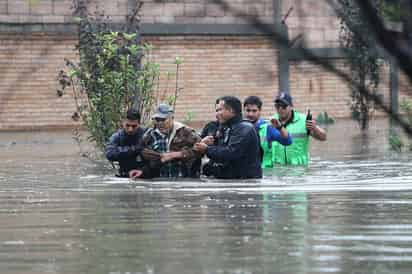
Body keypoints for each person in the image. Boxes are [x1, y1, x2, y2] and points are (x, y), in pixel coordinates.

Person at [194, 96, 262, 179]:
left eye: (220, 110)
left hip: (245, 181)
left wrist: (207, 149)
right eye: (216, 111)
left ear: (231, 110)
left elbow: (232, 153)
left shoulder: (245, 128)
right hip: (230, 180)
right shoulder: (224, 127)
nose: (217, 114)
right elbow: (219, 155)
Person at [138, 104, 202, 178]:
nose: (160, 123)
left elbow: (200, 151)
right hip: (158, 180)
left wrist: (177, 154)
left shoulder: (185, 132)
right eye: (157, 120)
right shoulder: (149, 135)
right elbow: (143, 154)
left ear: (172, 118)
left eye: (163, 120)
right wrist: (159, 158)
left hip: (184, 179)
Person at [272, 92, 327, 165]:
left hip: (299, 170)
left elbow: (323, 137)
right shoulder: (272, 121)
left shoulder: (303, 121)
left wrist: (315, 128)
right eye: (277, 106)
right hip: (278, 169)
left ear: (291, 107)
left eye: (284, 106)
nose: (280, 109)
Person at [243, 95, 292, 168]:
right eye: (248, 110)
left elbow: (287, 141)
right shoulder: (239, 128)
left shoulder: (268, 128)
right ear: (244, 110)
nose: (250, 114)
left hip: (264, 174)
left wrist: (280, 127)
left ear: (260, 111)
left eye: (254, 111)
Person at [105, 109, 146, 178]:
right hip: (125, 175)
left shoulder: (146, 135)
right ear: (123, 122)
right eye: (127, 125)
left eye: (134, 126)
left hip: (144, 174)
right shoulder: (117, 136)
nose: (130, 129)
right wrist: (134, 149)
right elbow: (109, 154)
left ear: (139, 124)